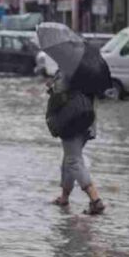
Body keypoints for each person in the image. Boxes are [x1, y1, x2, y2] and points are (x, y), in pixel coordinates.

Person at [49, 71, 105, 215]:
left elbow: (61, 90)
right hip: (87, 120)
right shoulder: (90, 67)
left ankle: (95, 200)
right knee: (69, 159)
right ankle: (64, 197)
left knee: (73, 160)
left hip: (71, 121)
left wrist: (52, 86)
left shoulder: (69, 67)